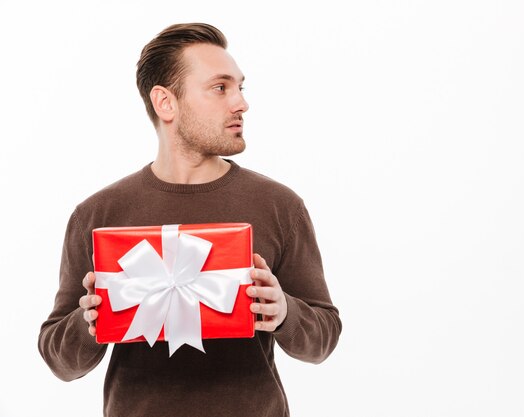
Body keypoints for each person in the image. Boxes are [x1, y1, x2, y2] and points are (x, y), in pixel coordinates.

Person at [38, 23, 341, 417]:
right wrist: (90, 320)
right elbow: (59, 361)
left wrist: (284, 311)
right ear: (166, 103)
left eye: (240, 88)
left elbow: (323, 339)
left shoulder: (279, 206)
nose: (241, 103)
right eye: (220, 88)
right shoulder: (98, 215)